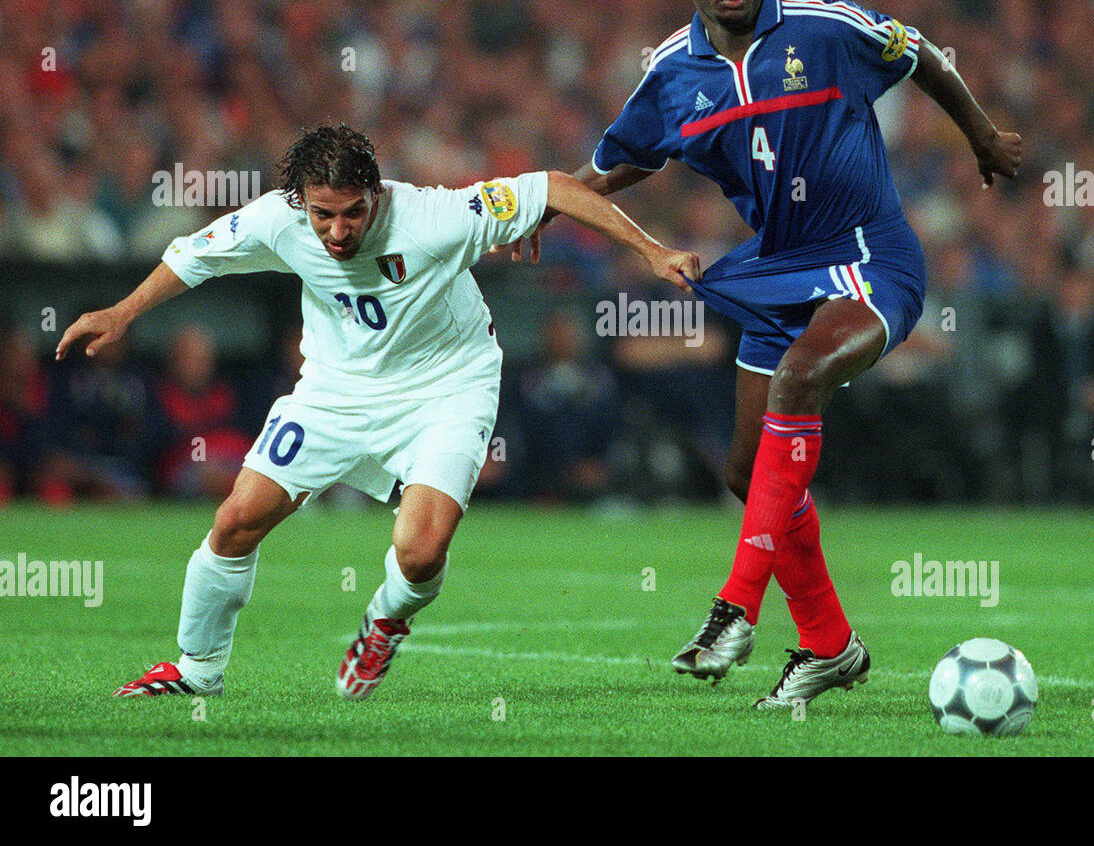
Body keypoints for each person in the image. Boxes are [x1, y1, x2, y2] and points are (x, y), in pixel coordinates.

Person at [56, 123, 698, 700]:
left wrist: (652, 252)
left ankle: (385, 621)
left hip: (447, 387)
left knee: (419, 553)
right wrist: (121, 314)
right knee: (236, 520)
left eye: (354, 213)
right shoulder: (276, 220)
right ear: (301, 204)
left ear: (378, 196)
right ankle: (197, 670)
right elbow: (191, 256)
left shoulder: (435, 216)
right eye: (323, 216)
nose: (338, 233)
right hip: (335, 390)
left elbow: (556, 186)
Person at [571, 0, 1023, 708]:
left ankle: (733, 610)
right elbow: (615, 165)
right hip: (779, 267)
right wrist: (544, 211)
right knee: (749, 473)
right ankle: (829, 645)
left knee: (800, 374)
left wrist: (981, 134)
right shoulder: (673, 73)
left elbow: (918, 51)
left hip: (868, 255)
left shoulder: (824, 29)